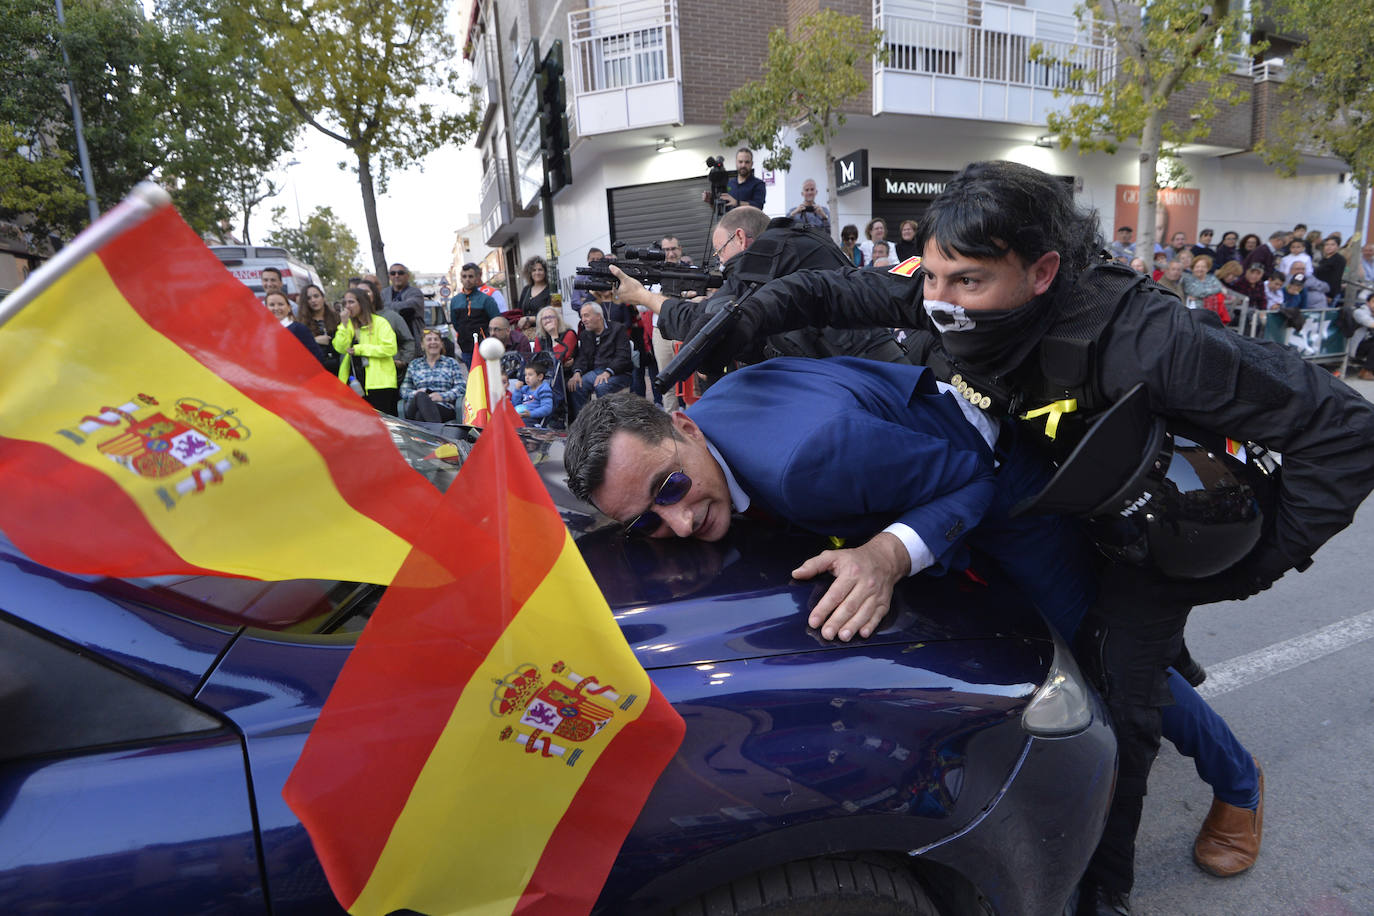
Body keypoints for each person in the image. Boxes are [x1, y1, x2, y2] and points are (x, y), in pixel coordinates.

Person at [660, 159, 1374, 913]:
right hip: (1037, 502)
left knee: (1124, 703)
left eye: (965, 282)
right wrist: (739, 318)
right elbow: (830, 287)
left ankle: (1182, 830)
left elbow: (1346, 434)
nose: (939, 303)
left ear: (1042, 271)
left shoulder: (1151, 339)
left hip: (1149, 534)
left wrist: (1249, 567)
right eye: (931, 278)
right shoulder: (944, 290)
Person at [333, 285, 399, 414]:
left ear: (362, 303)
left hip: (379, 383)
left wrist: (360, 349)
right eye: (345, 302)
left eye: (351, 302)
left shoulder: (380, 323)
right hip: (354, 381)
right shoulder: (348, 324)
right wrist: (344, 326)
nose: (347, 306)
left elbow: (390, 348)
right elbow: (340, 348)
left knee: (382, 423)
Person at [568, 301, 632, 411]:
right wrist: (577, 372)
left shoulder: (618, 329)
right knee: (576, 386)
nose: (583, 320)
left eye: (586, 315)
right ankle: (583, 422)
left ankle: (606, 422)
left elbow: (623, 357)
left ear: (598, 316)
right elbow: (581, 357)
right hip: (595, 372)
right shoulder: (585, 334)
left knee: (602, 386)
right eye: (582, 316)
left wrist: (608, 372)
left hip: (618, 373)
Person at [399, 328, 465, 422]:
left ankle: (429, 434)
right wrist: (417, 394)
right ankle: (437, 434)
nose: (433, 342)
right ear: (422, 345)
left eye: (436, 339)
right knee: (421, 396)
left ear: (441, 344)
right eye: (429, 339)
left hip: (443, 406)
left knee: (420, 416)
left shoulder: (451, 363)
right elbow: (404, 390)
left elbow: (461, 387)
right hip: (415, 406)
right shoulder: (414, 364)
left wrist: (442, 396)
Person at [449, 262, 501, 366]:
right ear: (461, 278)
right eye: (464, 276)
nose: (467, 279)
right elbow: (455, 324)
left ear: (477, 278)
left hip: (485, 348)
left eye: (470, 276)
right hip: (466, 349)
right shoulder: (455, 301)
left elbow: (497, 322)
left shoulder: (486, 300)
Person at [264, 291, 327, 365]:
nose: (276, 308)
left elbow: (317, 357)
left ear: (289, 308)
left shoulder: (299, 329)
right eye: (272, 305)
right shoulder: (261, 332)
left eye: (280, 304)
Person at [298, 283, 341, 374]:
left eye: (316, 296)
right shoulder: (301, 322)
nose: (313, 300)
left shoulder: (337, 318)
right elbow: (296, 347)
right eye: (309, 298)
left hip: (339, 367)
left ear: (323, 297)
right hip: (315, 370)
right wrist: (314, 340)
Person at [533, 305, 578, 370]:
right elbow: (537, 362)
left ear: (558, 319)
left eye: (551, 317)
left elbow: (559, 359)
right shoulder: (539, 337)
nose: (548, 320)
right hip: (545, 374)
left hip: (565, 374)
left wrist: (554, 335)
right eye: (544, 318)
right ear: (541, 323)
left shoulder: (569, 334)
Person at [1314, 236, 1347, 301]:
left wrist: (1331, 295)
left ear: (1338, 246)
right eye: (1327, 244)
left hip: (1330, 294)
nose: (1329, 247)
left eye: (1332, 245)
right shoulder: (1324, 259)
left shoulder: (1339, 259)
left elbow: (1336, 278)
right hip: (1320, 290)